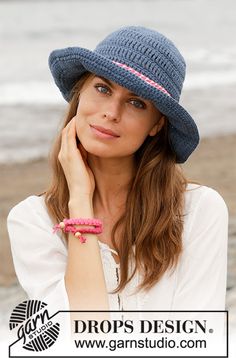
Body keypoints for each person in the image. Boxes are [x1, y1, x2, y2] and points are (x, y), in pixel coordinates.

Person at [7, 26, 228, 317]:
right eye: (102, 88)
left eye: (136, 103)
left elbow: (198, 342)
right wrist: (80, 202)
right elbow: (81, 336)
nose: (112, 111)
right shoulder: (33, 221)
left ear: (156, 125)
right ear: (80, 93)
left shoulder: (198, 210)